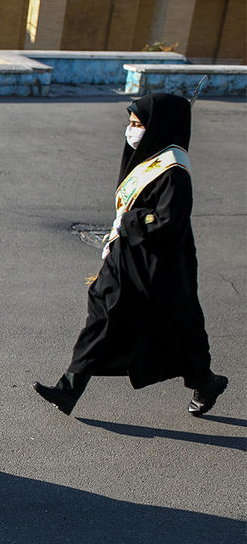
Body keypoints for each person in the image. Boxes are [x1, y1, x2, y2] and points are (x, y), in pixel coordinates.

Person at [34, 93, 227, 416]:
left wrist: (131, 221)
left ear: (158, 126)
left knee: (176, 328)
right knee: (101, 310)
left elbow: (168, 221)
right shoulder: (148, 156)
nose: (131, 130)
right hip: (125, 256)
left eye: (138, 124)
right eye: (131, 122)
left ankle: (205, 381)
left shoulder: (175, 170)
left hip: (157, 264)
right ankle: (68, 389)